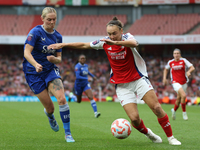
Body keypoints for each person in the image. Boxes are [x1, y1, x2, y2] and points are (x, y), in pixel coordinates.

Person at [48, 16, 181, 145]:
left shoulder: (128, 37)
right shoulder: (104, 42)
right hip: (122, 85)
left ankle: (171, 137)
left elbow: (134, 43)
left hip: (138, 79)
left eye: (114, 33)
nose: (111, 36)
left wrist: (116, 42)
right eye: (109, 34)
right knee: (134, 119)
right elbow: (84, 45)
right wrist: (63, 44)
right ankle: (149, 134)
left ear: (121, 31)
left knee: (157, 108)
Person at [23, 7, 75, 142]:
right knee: (50, 108)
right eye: (49, 19)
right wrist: (35, 64)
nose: (52, 22)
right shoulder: (35, 32)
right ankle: (50, 116)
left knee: (62, 99)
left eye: (54, 19)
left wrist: (54, 60)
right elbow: (26, 53)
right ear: (42, 19)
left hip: (50, 70)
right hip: (33, 72)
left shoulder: (58, 36)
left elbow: (59, 58)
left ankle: (68, 133)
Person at [163, 48, 195, 120]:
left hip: (184, 82)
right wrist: (164, 78)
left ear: (180, 54)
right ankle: (184, 114)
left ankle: (173, 111)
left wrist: (189, 71)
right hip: (175, 82)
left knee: (179, 98)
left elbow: (192, 67)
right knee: (183, 95)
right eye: (175, 53)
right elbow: (165, 69)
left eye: (178, 53)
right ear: (173, 55)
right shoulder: (170, 62)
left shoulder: (184, 60)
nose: (176, 55)